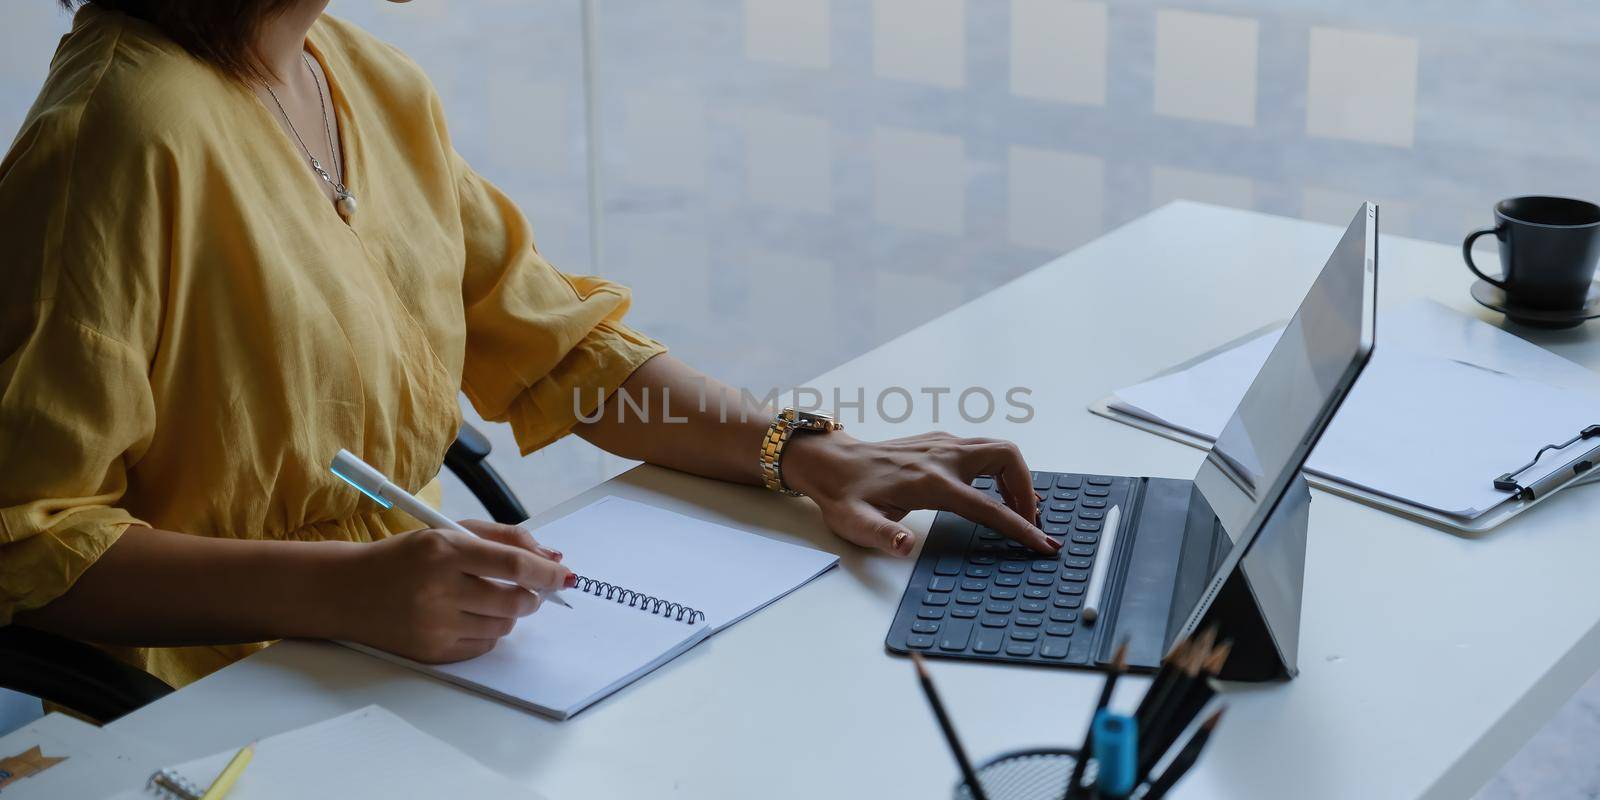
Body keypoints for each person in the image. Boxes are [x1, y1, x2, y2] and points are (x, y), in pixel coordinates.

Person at [0, 0, 1056, 690]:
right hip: (208, 706)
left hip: (412, 656)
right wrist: (342, 590)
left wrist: (804, 449)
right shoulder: (118, 136)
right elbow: (28, 542)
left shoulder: (357, 75)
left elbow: (562, 349)